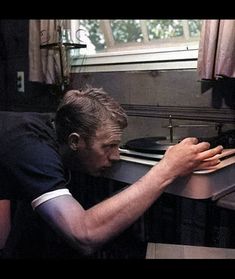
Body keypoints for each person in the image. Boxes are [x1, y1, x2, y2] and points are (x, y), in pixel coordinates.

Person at [0, 86, 223, 259]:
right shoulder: (31, 147)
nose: (116, 156)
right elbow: (84, 234)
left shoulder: (50, 134)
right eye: (108, 146)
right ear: (75, 141)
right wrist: (167, 168)